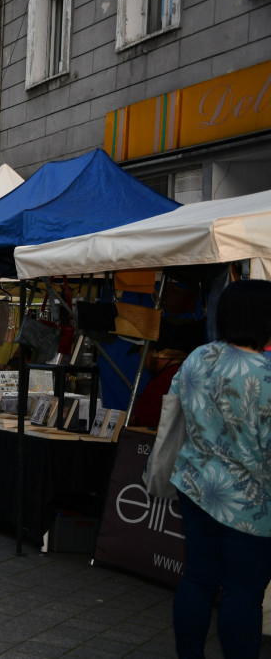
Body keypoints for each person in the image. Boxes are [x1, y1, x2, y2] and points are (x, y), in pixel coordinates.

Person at [169, 280, 271, 658]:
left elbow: (177, 403)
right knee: (244, 590)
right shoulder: (265, 375)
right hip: (250, 501)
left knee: (198, 578)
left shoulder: (199, 356)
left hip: (197, 483)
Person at [131, 345, 188, 428]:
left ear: (156, 353)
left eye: (144, 357)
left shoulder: (171, 376)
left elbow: (154, 417)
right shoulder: (164, 374)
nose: (143, 364)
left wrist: (132, 420)